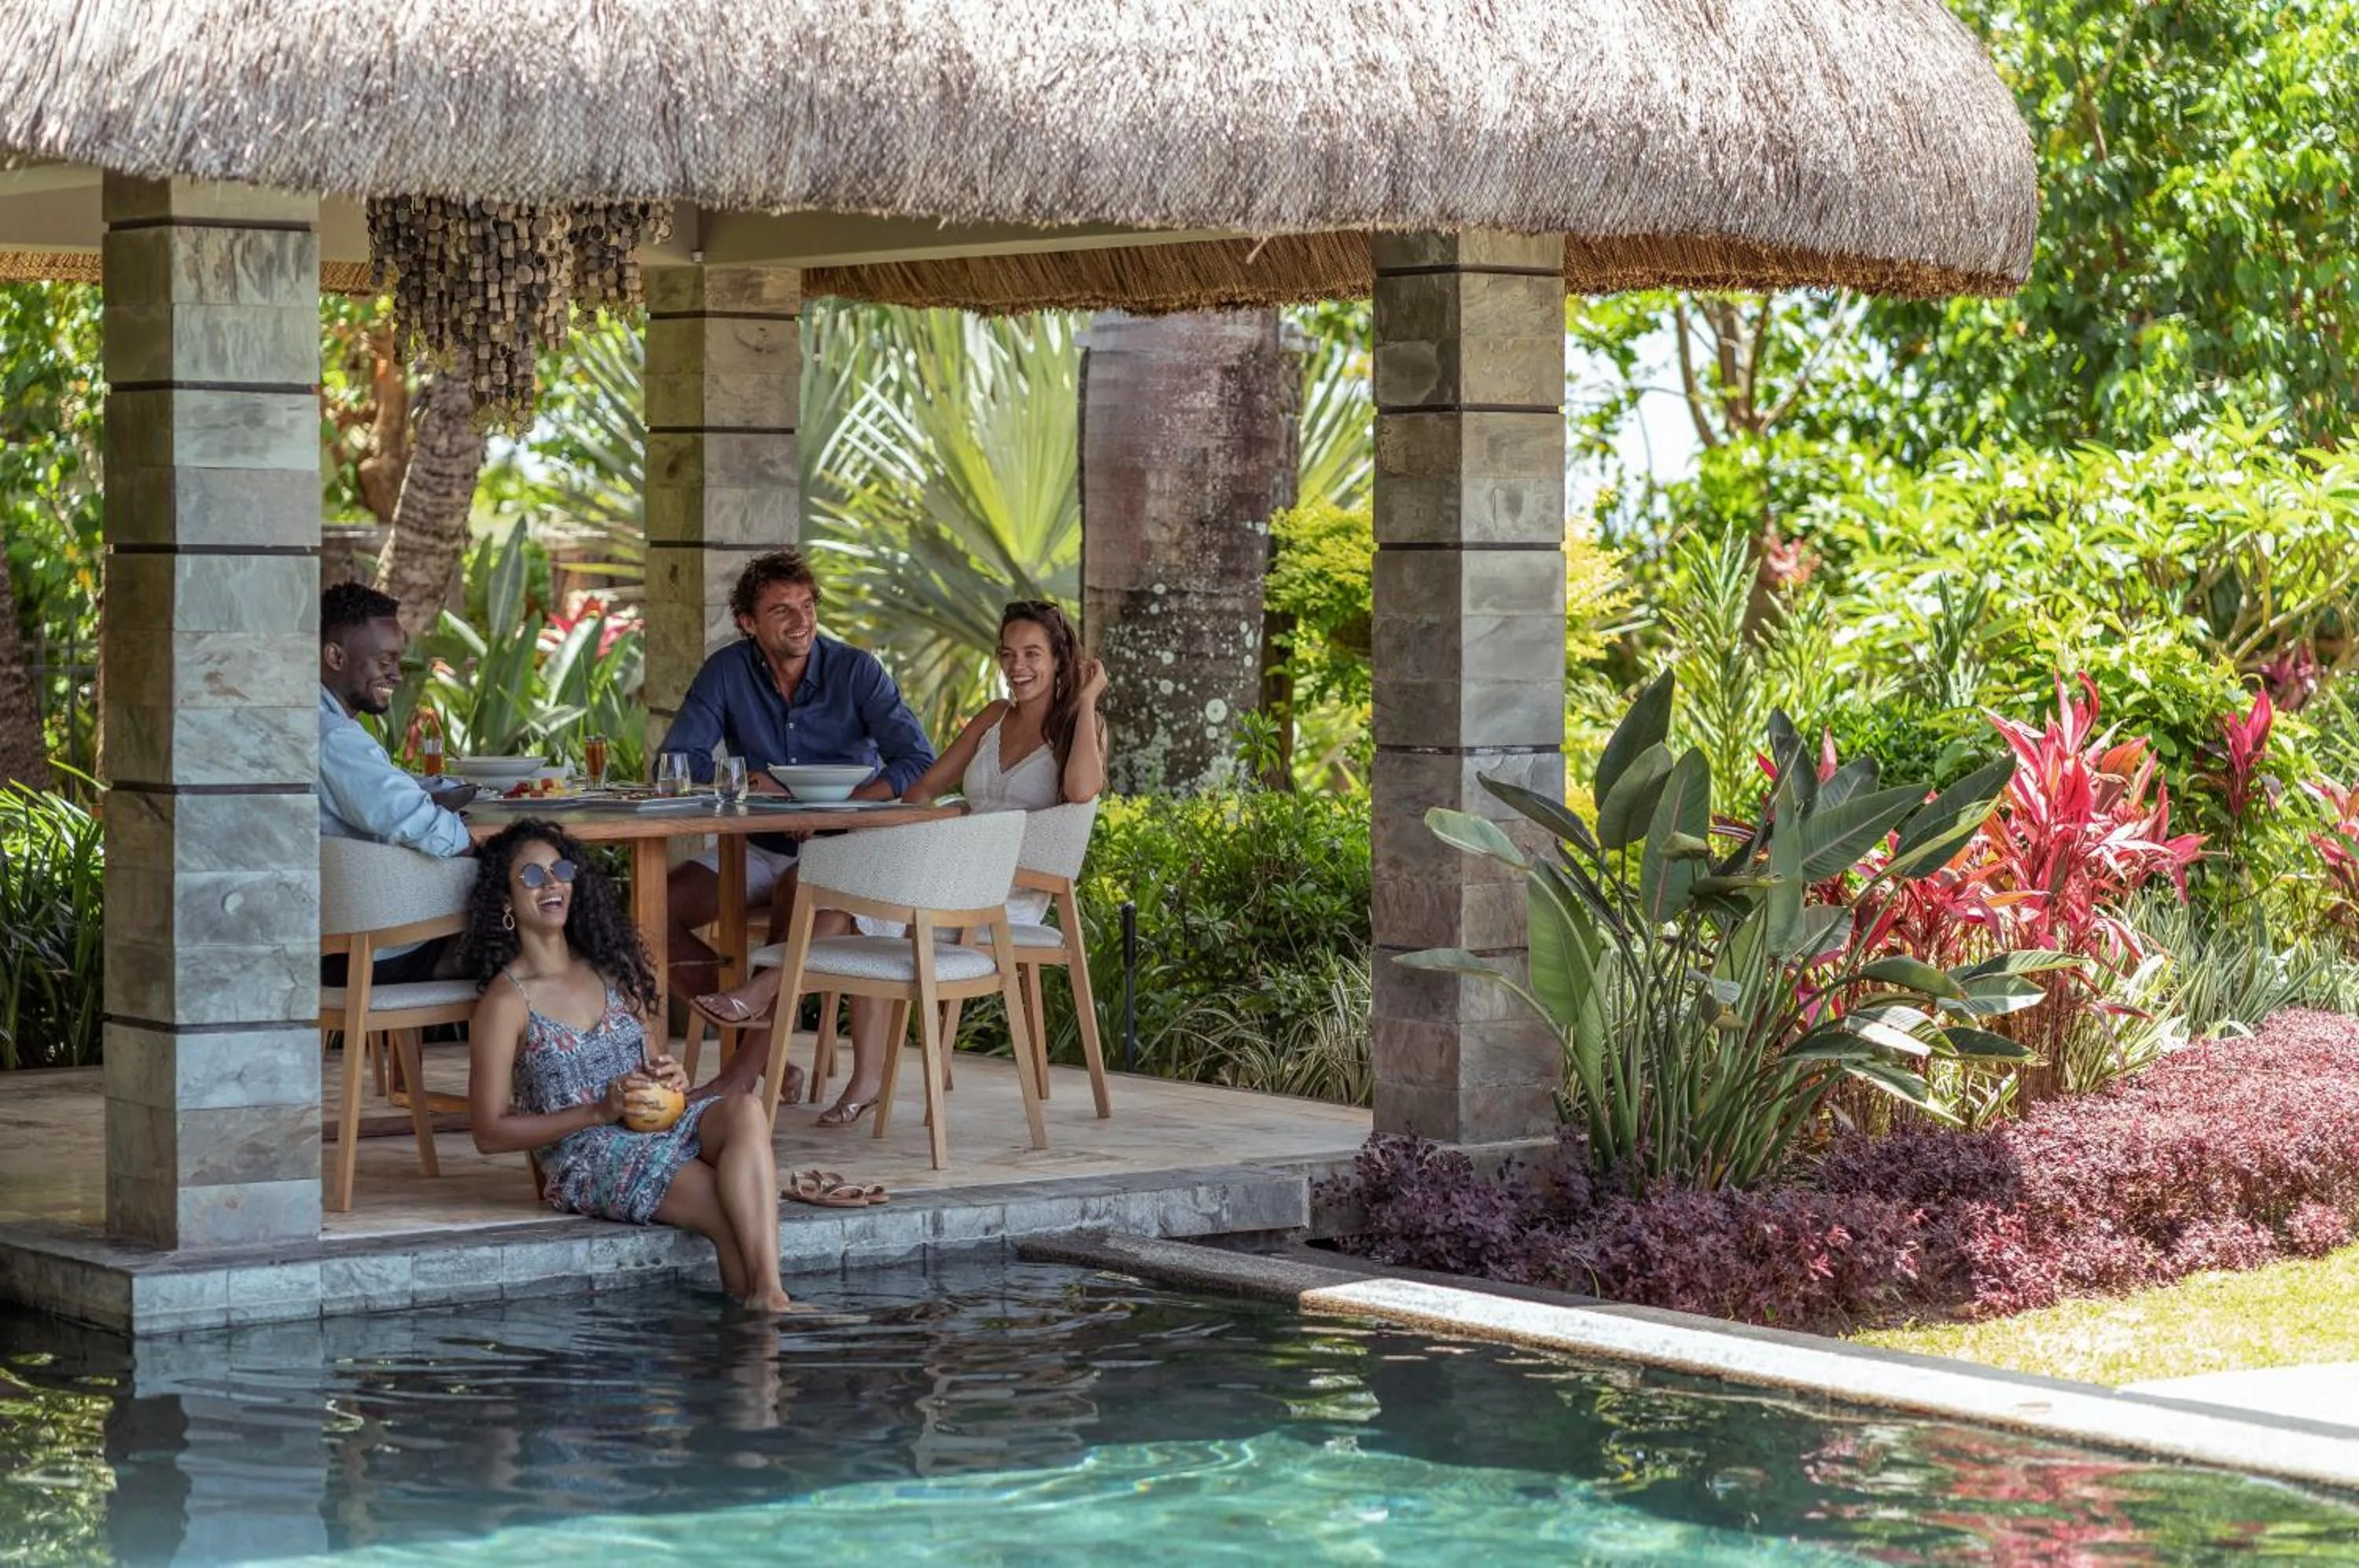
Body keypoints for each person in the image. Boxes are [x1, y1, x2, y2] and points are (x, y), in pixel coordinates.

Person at [690, 600, 1107, 1127]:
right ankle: (851, 1070)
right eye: (1008, 654)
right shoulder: (994, 717)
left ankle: (762, 995)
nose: (1017, 667)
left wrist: (1088, 699)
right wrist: (925, 821)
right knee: (847, 907)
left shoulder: (1079, 727)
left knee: (852, 909)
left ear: (1060, 659)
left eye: (1032, 655)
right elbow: (923, 788)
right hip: (950, 872)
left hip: (1007, 890)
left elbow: (1081, 790)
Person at [459, 819, 800, 1313]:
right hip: (588, 1151)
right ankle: (756, 1329)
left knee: (745, 1107)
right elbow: (488, 1132)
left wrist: (672, 1078)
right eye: (532, 877)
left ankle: (768, 1293)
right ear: (507, 903)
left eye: (561, 871)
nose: (552, 884)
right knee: (729, 1208)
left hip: (653, 1124)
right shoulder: (506, 1002)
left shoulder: (609, 968)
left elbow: (650, 1061)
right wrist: (598, 1111)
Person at [657, 549, 935, 1032]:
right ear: (748, 622)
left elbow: (917, 761)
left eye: (807, 605)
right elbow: (675, 761)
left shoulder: (857, 671)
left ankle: (751, 1057)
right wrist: (746, 780)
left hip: (841, 848)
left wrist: (839, 808)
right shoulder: (726, 671)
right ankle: (758, 1053)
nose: (800, 620)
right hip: (758, 847)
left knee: (797, 891)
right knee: (651, 913)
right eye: (781, 610)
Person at [316, 580, 474, 984]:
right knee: (528, 916)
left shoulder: (309, 721)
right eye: (384, 660)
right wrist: (481, 851)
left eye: (398, 661)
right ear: (335, 656)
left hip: (325, 937)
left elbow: (381, 799)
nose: (397, 675)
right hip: (363, 952)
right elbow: (419, 822)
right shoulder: (334, 736)